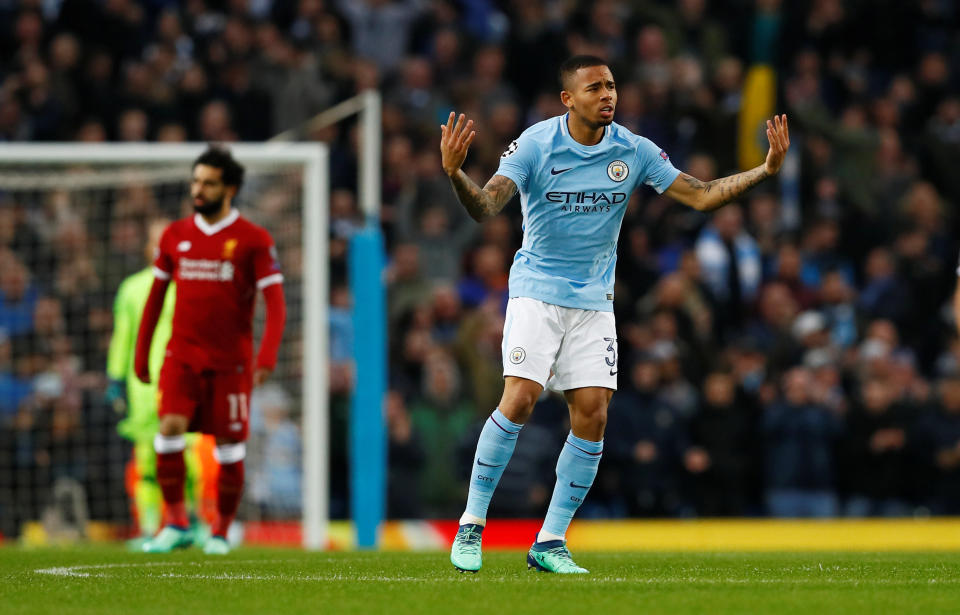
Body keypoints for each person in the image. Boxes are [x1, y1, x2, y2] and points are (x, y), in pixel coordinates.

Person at [441, 54, 790, 574]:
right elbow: (488, 205)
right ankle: (471, 525)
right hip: (536, 291)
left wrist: (765, 170)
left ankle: (550, 541)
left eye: (611, 86)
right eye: (594, 88)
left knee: (594, 414)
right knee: (520, 398)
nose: (608, 95)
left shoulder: (634, 149)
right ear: (568, 99)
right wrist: (454, 174)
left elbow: (699, 195)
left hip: (594, 302)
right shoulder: (537, 143)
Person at [134, 146, 287, 554]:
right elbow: (154, 299)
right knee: (168, 431)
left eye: (208, 183)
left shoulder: (253, 240)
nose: (198, 190)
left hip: (230, 363)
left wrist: (266, 356)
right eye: (196, 181)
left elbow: (276, 304)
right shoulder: (175, 236)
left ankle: (219, 531)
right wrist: (140, 353)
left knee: (228, 446)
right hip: (181, 357)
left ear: (230, 189)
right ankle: (176, 524)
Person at [105, 218, 215, 548]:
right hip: (143, 387)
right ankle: (149, 528)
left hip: (183, 381)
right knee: (147, 459)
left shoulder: (192, 285)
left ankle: (192, 522)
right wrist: (115, 378)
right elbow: (122, 339)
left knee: (189, 455)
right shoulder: (132, 288)